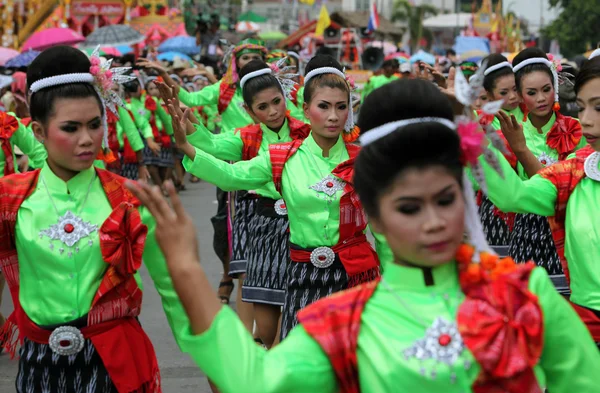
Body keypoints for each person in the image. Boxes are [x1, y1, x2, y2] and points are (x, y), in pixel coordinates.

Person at [127, 78, 600, 393]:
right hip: (306, 271)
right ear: (373, 213)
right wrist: (186, 275)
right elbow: (257, 381)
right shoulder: (345, 322)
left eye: (446, 199)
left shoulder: (522, 295)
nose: (433, 221)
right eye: (408, 207)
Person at [0, 46, 189, 392]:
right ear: (39, 133)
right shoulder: (11, 199)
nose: (87, 139)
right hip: (38, 363)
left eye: (94, 124)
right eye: (70, 128)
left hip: (114, 361)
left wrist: (213, 359)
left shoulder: (130, 198)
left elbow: (173, 286)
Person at [169, 55, 380, 339]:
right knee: (301, 363)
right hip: (303, 273)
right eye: (323, 106)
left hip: (356, 276)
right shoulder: (283, 156)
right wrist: (188, 147)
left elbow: (384, 229)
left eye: (341, 107)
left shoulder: (364, 159)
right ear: (306, 109)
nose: (333, 116)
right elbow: (232, 176)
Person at [163, 59, 310, 347]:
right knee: (265, 324)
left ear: (285, 96)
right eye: (263, 107)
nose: (273, 111)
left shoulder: (307, 133)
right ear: (249, 111)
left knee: (295, 312)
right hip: (265, 226)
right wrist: (188, 133)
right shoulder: (248, 137)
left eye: (276, 101)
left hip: (303, 228)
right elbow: (218, 152)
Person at [479, 55, 600, 345]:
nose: (586, 120)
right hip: (532, 225)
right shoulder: (576, 170)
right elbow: (519, 192)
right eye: (582, 108)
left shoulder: (574, 134)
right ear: (520, 96)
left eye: (546, 89)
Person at [497, 48, 585, 289]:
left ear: (555, 87)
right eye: (531, 92)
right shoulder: (511, 133)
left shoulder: (577, 130)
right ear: (520, 95)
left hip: (568, 230)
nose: (541, 98)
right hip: (527, 229)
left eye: (546, 90)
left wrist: (521, 150)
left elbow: (560, 190)